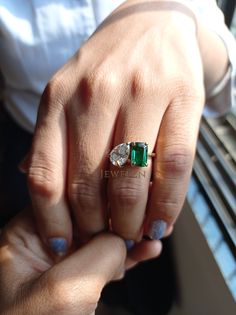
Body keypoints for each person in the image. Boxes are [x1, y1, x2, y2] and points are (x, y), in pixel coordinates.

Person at [0, 0, 235, 314]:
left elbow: (227, 86)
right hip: (36, 154)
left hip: (145, 168)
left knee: (144, 278)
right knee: (50, 263)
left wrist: (177, 23)